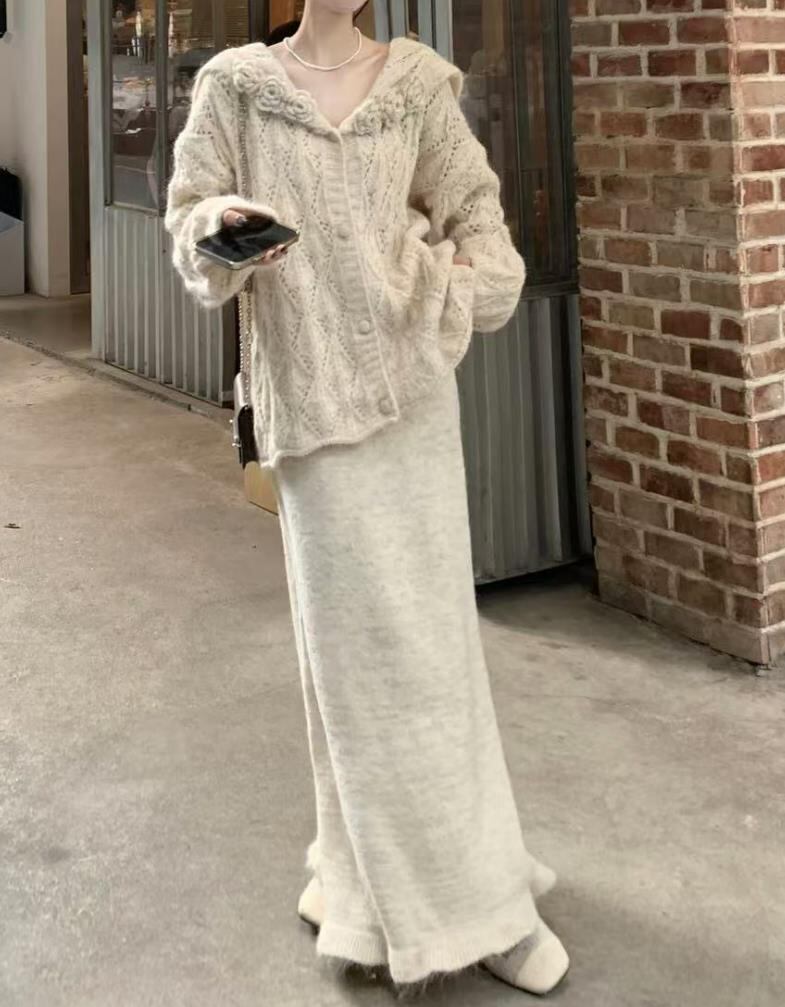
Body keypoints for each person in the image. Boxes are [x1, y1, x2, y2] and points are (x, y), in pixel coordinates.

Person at [164, 0, 570, 996]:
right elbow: (190, 227)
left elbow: (481, 225)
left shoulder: (416, 86)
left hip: (413, 403)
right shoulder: (235, 89)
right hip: (310, 415)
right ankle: (383, 890)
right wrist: (222, 231)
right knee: (350, 673)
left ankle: (475, 897)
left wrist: (446, 283)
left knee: (435, 657)